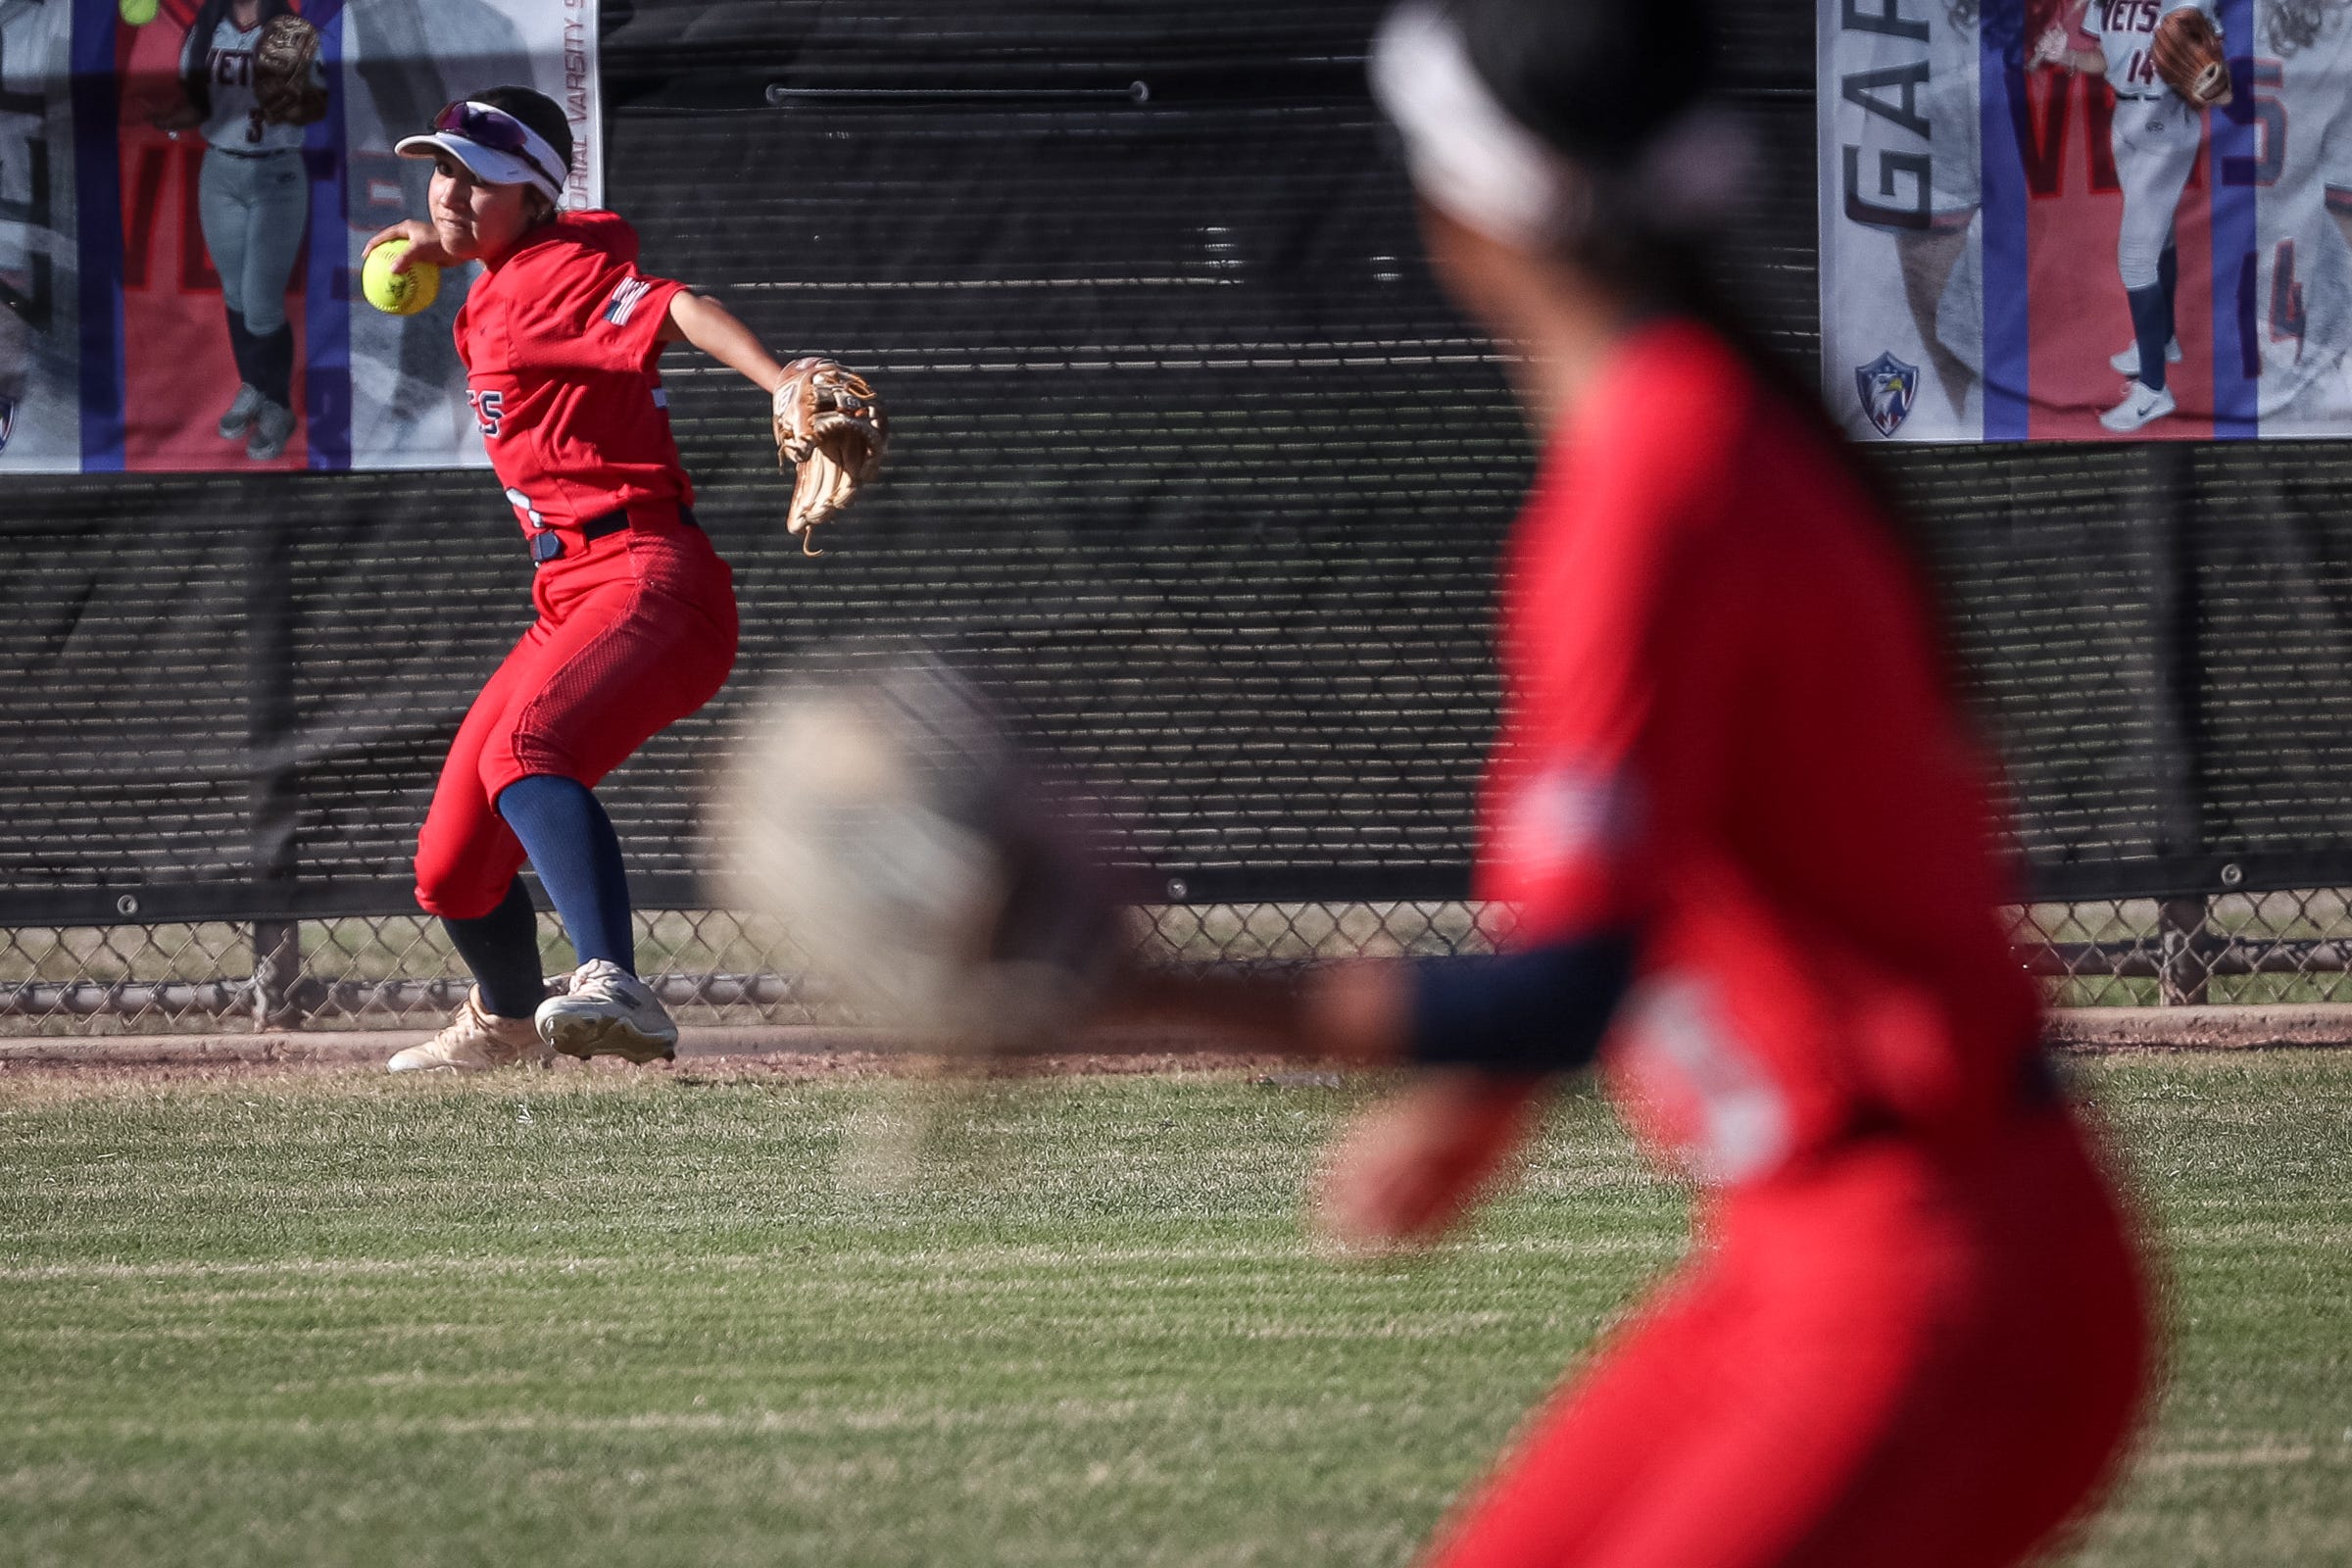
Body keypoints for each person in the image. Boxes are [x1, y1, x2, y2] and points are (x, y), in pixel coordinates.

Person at [1089, 2, 2153, 1562]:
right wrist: (1477, 1107)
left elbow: (1567, 993)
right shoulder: (1684, 437)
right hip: (1830, 1248)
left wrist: (1104, 985)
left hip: (1940, 1275)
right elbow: (1648, 898)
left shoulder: (1660, 480)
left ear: (1471, 214)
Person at [364, 86, 850, 1072]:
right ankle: (505, 1022)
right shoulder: (511, 268)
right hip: (571, 594)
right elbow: (496, 243)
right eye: (442, 168)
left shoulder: (552, 276)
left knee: (532, 748)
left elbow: (674, 305)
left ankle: (615, 983)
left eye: (478, 176)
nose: (450, 189)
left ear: (533, 196)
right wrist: (446, 236)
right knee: (452, 866)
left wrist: (780, 379)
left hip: (648, 580)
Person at [2033, 0, 2228, 433]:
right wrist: (2065, 54)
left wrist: (2198, 66)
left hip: (2164, 123)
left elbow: (2214, 72)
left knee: (2135, 261)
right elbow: (2105, 59)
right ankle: (2162, 338)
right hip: (2125, 119)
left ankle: (2154, 391)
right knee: (2160, 238)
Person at [154, 0, 323, 463]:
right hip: (220, 170)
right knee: (236, 296)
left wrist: (287, 85)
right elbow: (198, 103)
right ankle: (254, 384)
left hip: (277, 175)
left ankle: (278, 406)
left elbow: (313, 107)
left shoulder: (291, 30)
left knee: (262, 306)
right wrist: (177, 117)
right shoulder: (207, 26)